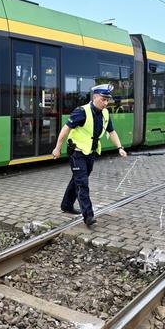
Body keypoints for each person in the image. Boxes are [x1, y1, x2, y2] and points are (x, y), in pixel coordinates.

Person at [52, 84, 128, 226]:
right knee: (82, 183)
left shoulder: (105, 113)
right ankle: (88, 216)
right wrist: (57, 148)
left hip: (90, 152)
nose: (106, 103)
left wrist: (120, 147)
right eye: (103, 99)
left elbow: (111, 131)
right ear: (94, 97)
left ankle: (66, 205)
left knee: (78, 179)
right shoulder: (81, 111)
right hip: (77, 152)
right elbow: (65, 129)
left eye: (107, 100)